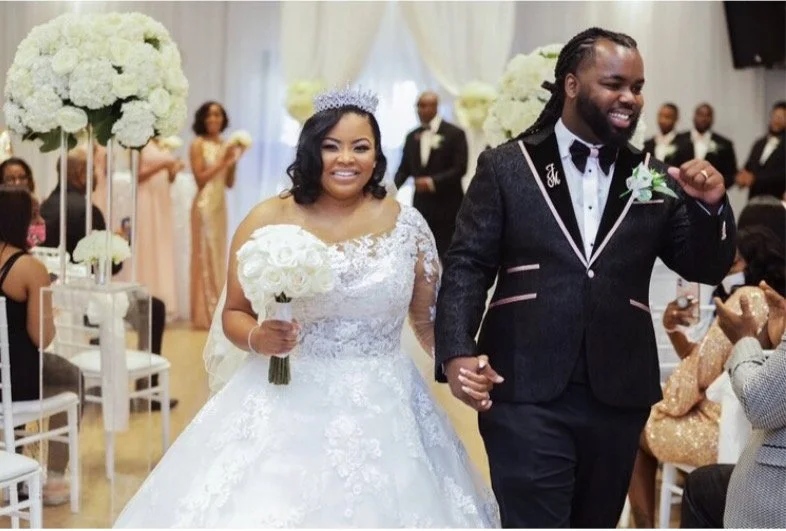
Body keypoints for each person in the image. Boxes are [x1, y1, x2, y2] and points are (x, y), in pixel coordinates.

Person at [113, 88, 499, 528]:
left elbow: (427, 323)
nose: (345, 159)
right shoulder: (268, 218)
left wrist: (460, 366)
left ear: (377, 156)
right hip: (284, 395)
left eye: (360, 147)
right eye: (331, 146)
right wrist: (259, 337)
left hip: (385, 407)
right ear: (311, 150)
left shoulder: (407, 224)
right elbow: (234, 312)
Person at [434, 27, 736, 528]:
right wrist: (457, 351)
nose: (629, 98)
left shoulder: (653, 176)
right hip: (523, 383)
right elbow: (467, 263)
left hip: (618, 391)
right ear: (571, 85)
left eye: (637, 87)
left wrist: (710, 209)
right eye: (614, 83)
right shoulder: (508, 166)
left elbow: (702, 265)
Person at [627, 217, 786, 527]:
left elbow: (699, 374)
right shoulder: (771, 305)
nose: (728, 269)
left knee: (636, 427)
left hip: (728, 428)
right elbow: (704, 363)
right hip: (739, 421)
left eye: (735, 260)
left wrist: (667, 403)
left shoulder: (747, 299)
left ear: (755, 262)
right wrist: (672, 329)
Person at [40, 149, 177, 410]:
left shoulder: (46, 206)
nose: (95, 176)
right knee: (154, 308)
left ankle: (103, 377)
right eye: (92, 171)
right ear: (81, 174)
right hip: (86, 299)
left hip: (60, 298)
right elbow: (109, 267)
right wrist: (119, 242)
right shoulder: (87, 210)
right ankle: (147, 387)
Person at [0, 185, 81, 505]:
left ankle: (15, 469)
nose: (39, 220)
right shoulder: (30, 268)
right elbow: (42, 338)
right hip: (17, 380)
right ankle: (55, 479)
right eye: (33, 214)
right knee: (72, 377)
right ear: (18, 219)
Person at [680, 283, 786, 528]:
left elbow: (760, 401)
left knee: (644, 432)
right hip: (716, 413)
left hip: (773, 496)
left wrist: (744, 341)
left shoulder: (746, 297)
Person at [189, 101, 245, 330]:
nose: (214, 119)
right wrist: (223, 161)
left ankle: (219, 311)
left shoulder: (226, 145)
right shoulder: (198, 144)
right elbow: (200, 179)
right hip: (203, 205)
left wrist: (233, 163)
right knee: (204, 254)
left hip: (220, 206)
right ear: (203, 118)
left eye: (218, 115)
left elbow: (229, 183)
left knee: (219, 255)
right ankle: (204, 314)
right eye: (210, 114)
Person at [394, 91, 468, 260]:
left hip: (448, 207)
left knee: (450, 256)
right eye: (418, 106)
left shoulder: (455, 134)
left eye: (424, 105)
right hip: (422, 208)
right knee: (423, 257)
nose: (420, 110)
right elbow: (404, 169)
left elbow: (460, 168)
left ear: (436, 107)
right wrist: (390, 190)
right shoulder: (412, 136)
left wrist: (432, 182)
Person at [126, 137, 184, 318]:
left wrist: (173, 169)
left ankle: (163, 301)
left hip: (162, 199)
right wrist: (162, 165)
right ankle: (142, 300)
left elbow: (170, 178)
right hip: (146, 199)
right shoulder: (138, 143)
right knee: (146, 246)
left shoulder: (163, 143)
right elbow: (135, 176)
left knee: (162, 248)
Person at [673, 103, 737, 189]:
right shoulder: (678, 140)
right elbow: (672, 166)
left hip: (711, 194)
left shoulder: (724, 144)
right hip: (680, 193)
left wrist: (713, 186)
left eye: (708, 115)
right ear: (694, 116)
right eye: (700, 114)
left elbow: (730, 175)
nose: (703, 118)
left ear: (712, 119)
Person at [735, 100, 786, 201]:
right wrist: (741, 177)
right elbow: (749, 166)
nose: (776, 120)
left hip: (777, 201)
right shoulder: (759, 144)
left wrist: (755, 179)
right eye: (775, 116)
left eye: (781, 117)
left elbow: (782, 174)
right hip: (754, 200)